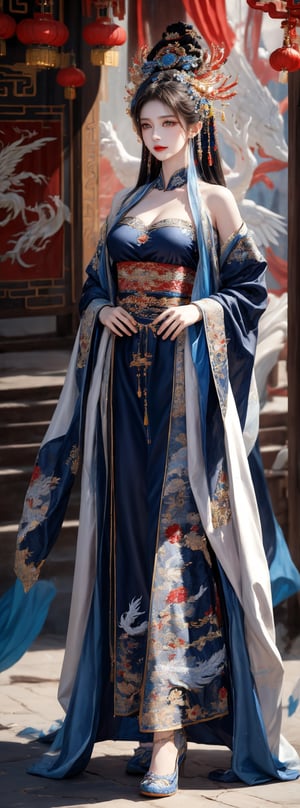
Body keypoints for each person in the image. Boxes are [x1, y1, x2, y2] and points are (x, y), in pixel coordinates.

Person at [14, 21, 300, 797]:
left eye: (169, 124)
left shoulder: (216, 204)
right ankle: (135, 718)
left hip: (185, 399)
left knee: (180, 546)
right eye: (147, 125)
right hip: (122, 404)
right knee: (127, 548)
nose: (157, 135)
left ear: (195, 127)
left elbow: (250, 291)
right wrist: (100, 307)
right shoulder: (130, 199)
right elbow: (94, 284)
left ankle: (171, 737)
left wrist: (203, 309)